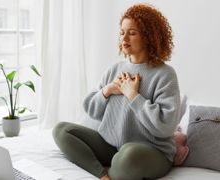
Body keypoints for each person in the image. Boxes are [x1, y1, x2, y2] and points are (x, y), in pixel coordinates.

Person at [53, 3, 180, 180]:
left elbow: (165, 127)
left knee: (128, 155)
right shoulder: (115, 69)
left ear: (149, 37)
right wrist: (108, 90)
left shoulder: (165, 74)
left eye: (132, 32)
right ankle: (103, 175)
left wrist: (133, 95)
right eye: (122, 32)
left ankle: (116, 170)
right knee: (61, 130)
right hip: (112, 146)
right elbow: (91, 110)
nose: (124, 37)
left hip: (152, 152)